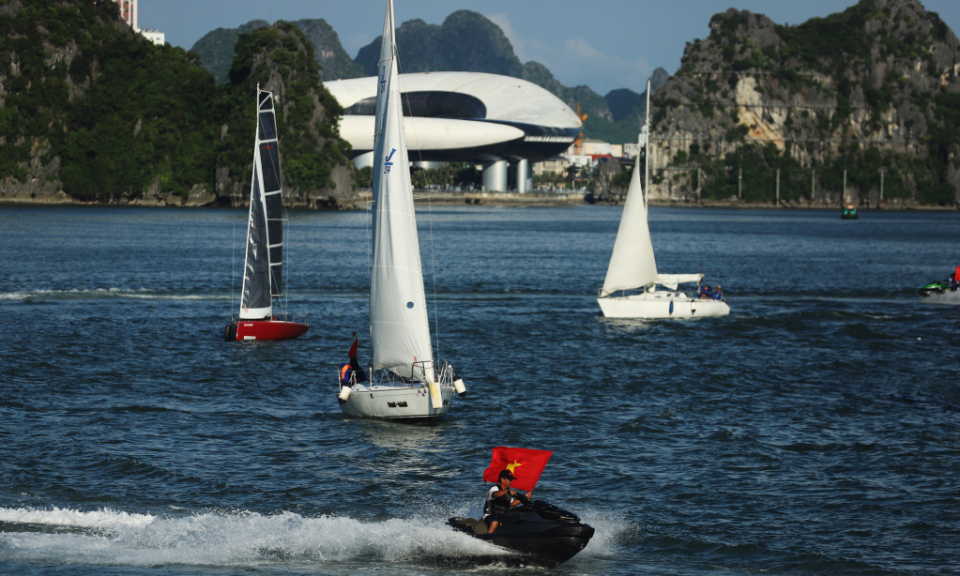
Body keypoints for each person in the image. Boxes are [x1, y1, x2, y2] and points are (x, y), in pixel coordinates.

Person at [483, 469, 531, 534]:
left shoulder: (507, 491)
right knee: (495, 522)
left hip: (503, 515)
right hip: (490, 515)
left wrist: (525, 497)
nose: (511, 481)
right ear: (502, 480)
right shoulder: (495, 488)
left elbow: (512, 503)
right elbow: (495, 494)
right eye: (509, 479)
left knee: (518, 517)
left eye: (511, 480)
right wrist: (507, 492)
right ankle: (488, 539)